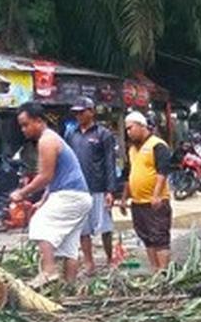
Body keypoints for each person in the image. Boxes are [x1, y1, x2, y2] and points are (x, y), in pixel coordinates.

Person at [10, 102, 93, 288]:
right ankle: (69, 287)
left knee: (39, 223)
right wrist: (43, 200)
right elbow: (54, 176)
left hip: (70, 195)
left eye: (26, 124)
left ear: (38, 121)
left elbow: (45, 176)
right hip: (78, 196)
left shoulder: (46, 141)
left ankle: (49, 271)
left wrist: (21, 193)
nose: (23, 130)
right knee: (70, 246)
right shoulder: (52, 139)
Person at [67, 97, 120, 273]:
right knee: (83, 228)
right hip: (79, 188)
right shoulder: (71, 134)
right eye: (76, 113)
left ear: (91, 111)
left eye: (82, 112)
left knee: (105, 226)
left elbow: (110, 163)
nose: (79, 115)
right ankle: (89, 263)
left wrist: (111, 190)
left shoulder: (103, 134)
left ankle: (110, 258)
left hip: (99, 186)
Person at [123, 111, 173, 271]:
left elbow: (162, 171)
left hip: (155, 202)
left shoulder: (157, 145)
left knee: (159, 237)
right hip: (138, 203)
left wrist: (156, 195)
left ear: (141, 125)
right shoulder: (132, 149)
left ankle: (163, 271)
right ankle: (155, 270)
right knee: (147, 238)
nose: (128, 132)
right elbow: (129, 174)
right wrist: (125, 198)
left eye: (130, 128)